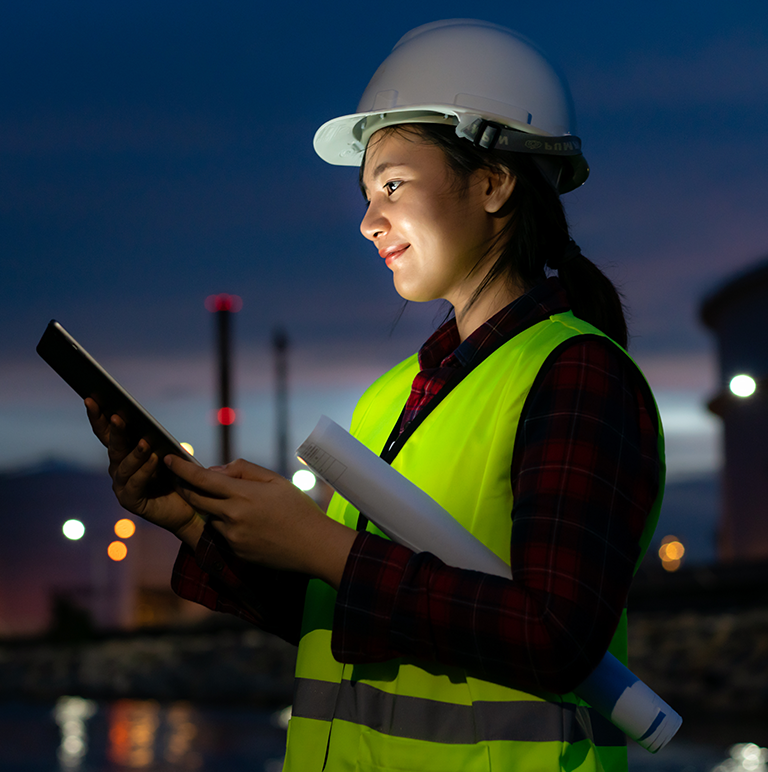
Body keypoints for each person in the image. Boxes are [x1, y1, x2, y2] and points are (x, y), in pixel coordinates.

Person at [86, 19, 664, 772]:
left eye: (392, 185)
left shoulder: (577, 375)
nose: (367, 222)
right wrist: (195, 525)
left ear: (494, 182)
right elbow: (343, 617)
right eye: (365, 194)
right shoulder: (389, 398)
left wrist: (322, 543)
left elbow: (557, 638)